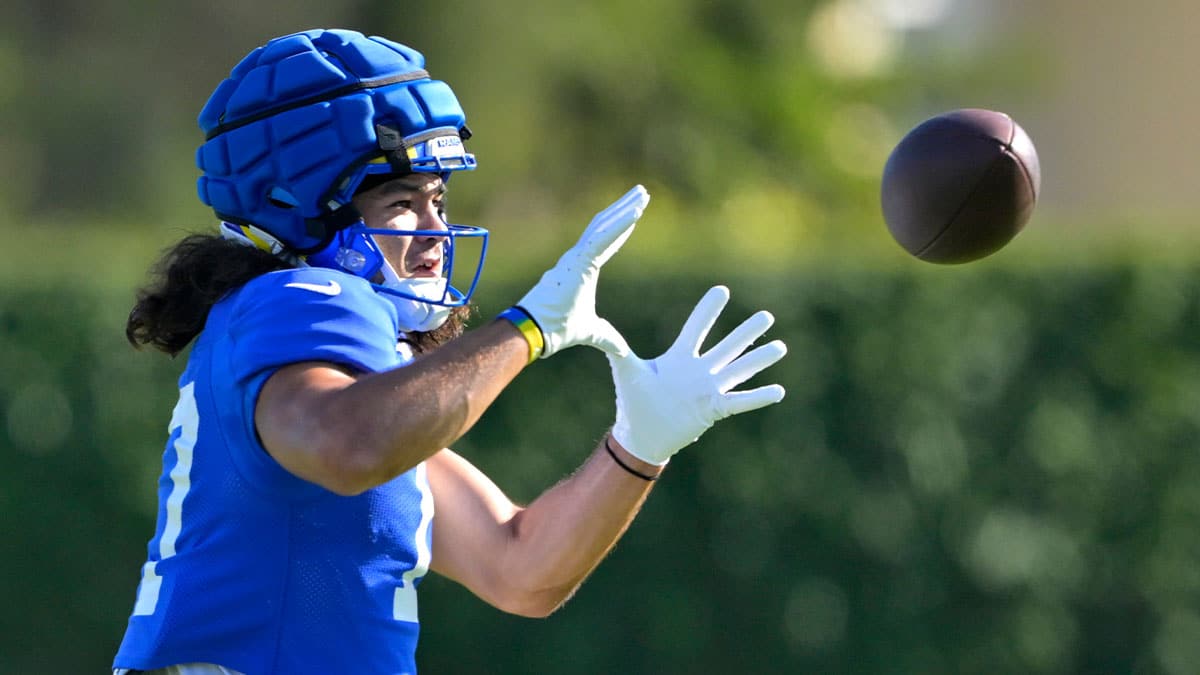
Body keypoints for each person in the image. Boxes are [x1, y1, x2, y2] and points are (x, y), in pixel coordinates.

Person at [112, 28, 787, 675]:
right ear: (298, 207)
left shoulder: (351, 381)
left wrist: (638, 446)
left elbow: (520, 569)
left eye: (438, 197)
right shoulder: (300, 295)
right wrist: (529, 328)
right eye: (404, 201)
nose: (437, 230)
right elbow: (348, 441)